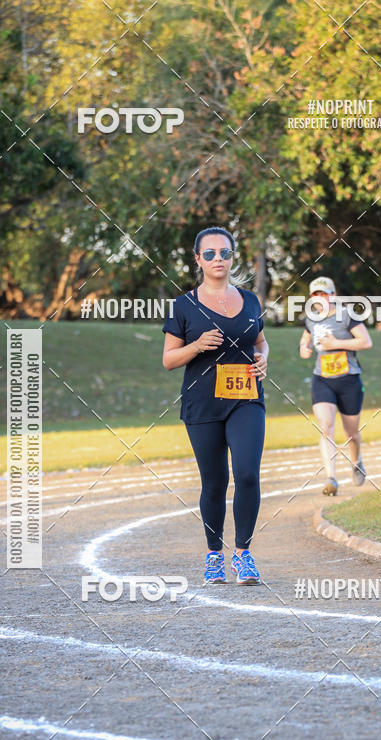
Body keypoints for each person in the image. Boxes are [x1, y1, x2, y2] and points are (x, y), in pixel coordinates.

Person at [162, 226, 269, 585]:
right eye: (209, 254)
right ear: (198, 260)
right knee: (214, 481)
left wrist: (263, 358)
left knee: (248, 474)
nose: (218, 259)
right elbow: (169, 360)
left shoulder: (250, 300)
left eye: (224, 252)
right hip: (203, 403)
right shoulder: (184, 305)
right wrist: (197, 345)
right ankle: (213, 555)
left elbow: (261, 342)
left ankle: (243, 554)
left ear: (232, 256)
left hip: (246, 399)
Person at [299, 276, 372, 495]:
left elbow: (366, 342)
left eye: (324, 294)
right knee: (326, 427)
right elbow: (305, 339)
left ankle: (357, 460)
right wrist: (304, 347)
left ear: (333, 296)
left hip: (348, 379)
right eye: (315, 295)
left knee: (352, 433)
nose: (320, 298)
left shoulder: (346, 316)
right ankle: (331, 478)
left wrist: (336, 344)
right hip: (322, 379)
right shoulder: (311, 319)